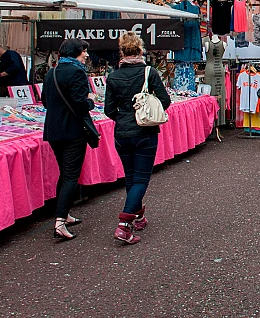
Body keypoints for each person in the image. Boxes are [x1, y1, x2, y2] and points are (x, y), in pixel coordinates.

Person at [104, 32, 171, 245]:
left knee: (131, 177)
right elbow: (165, 101)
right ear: (140, 50)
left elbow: (108, 109)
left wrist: (123, 117)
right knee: (141, 178)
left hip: (122, 132)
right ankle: (124, 224)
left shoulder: (113, 76)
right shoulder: (149, 73)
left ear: (122, 52)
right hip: (145, 132)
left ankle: (138, 217)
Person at [42, 38, 95, 241]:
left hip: (54, 130)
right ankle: (60, 222)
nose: (86, 55)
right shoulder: (77, 72)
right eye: (84, 51)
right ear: (75, 52)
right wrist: (90, 101)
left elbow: (45, 101)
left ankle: (63, 214)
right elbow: (81, 104)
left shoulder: (52, 72)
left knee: (65, 173)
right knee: (71, 175)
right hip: (73, 130)